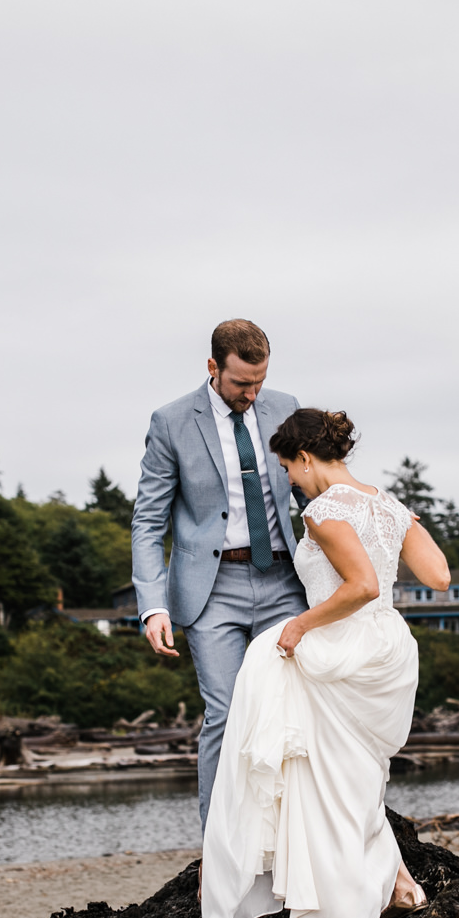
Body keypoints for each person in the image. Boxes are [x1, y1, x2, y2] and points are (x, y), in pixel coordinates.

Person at [198, 408, 452, 918]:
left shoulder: (323, 510)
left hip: (339, 650)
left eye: (287, 467)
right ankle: (402, 884)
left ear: (305, 458)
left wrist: (300, 625)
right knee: (354, 782)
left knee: (320, 792)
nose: (288, 479)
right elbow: (437, 575)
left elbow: (360, 586)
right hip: (387, 647)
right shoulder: (386, 503)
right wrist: (403, 524)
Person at [132, 320, 308, 831]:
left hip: (284, 583)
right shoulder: (170, 422)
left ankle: (292, 835)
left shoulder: (284, 406)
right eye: (240, 385)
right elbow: (148, 520)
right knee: (227, 716)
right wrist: (153, 604)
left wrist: (371, 513)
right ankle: (220, 846)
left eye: (259, 382)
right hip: (211, 591)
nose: (252, 395)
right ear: (213, 368)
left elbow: (312, 491)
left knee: (296, 712)